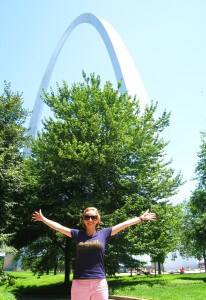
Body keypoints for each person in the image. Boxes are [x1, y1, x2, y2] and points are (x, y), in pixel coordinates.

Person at [32, 207, 156, 300]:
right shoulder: (77, 234)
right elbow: (58, 227)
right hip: (79, 283)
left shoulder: (104, 233)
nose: (90, 219)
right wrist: (43, 219)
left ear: (98, 220)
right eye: (87, 217)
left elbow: (123, 224)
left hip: (99, 283)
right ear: (83, 220)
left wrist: (140, 218)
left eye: (93, 217)